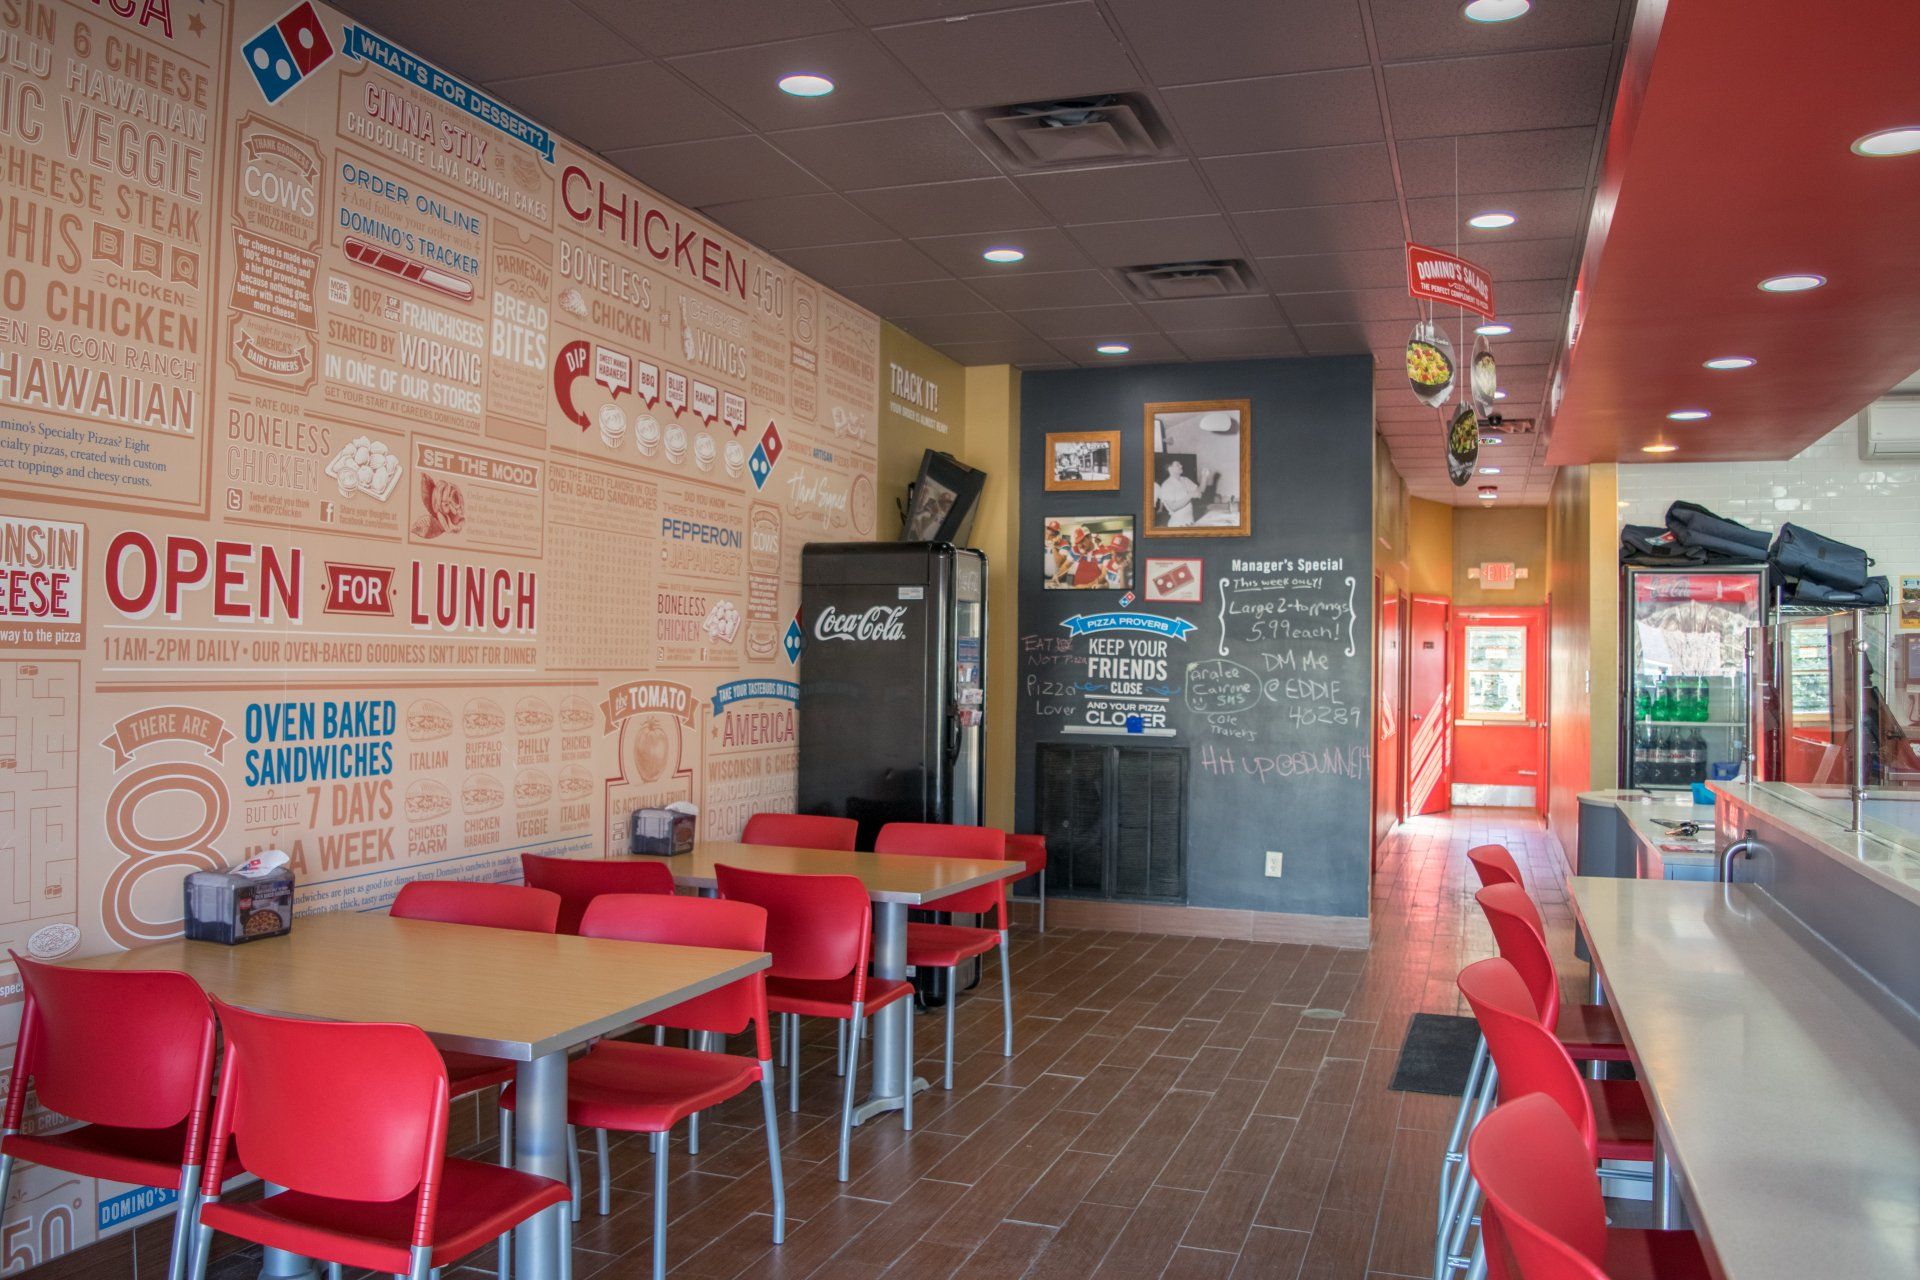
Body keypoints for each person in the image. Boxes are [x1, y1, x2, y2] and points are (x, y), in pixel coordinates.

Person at [1156, 459, 1202, 527]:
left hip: (1190, 521)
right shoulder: (1167, 485)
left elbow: (1199, 492)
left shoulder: (1185, 480)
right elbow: (1173, 507)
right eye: (1178, 465)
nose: (1181, 466)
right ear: (1170, 469)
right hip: (1177, 524)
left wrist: (1204, 477)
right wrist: (1190, 495)